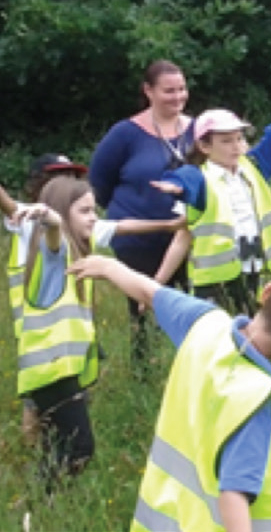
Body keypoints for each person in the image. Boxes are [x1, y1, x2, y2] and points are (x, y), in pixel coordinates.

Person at [66, 256, 271, 532]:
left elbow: (150, 292)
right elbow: (233, 494)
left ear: (267, 292)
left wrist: (108, 266)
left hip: (162, 516)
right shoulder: (259, 397)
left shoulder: (205, 324)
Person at [5, 176, 181, 491]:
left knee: (57, 450)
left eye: (94, 210)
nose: (93, 217)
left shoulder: (75, 245)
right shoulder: (49, 253)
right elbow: (47, 233)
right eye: (85, 211)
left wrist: (168, 226)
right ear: (61, 212)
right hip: (51, 369)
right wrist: (54, 222)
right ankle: (45, 504)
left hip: (58, 368)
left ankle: (41, 511)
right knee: (79, 449)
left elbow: (118, 226)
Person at [150, 73, 271, 315]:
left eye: (239, 139)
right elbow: (183, 228)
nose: (236, 146)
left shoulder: (254, 168)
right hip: (215, 283)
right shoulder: (200, 178)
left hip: (255, 273)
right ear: (204, 146)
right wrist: (156, 285)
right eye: (226, 141)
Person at [89, 60, 193, 370]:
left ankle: (184, 370)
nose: (177, 97)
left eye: (182, 89)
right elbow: (98, 185)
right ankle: (144, 374)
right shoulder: (125, 134)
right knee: (144, 314)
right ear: (148, 91)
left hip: (190, 237)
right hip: (139, 241)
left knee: (188, 307)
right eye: (168, 91)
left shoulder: (198, 129)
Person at [3, 154, 89, 444]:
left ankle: (43, 475)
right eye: (58, 175)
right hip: (46, 350)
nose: (68, 181)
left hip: (66, 347)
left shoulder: (81, 221)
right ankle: (33, 460)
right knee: (67, 440)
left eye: (72, 175)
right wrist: (52, 221)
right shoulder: (28, 218)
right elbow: (53, 239)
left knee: (61, 438)